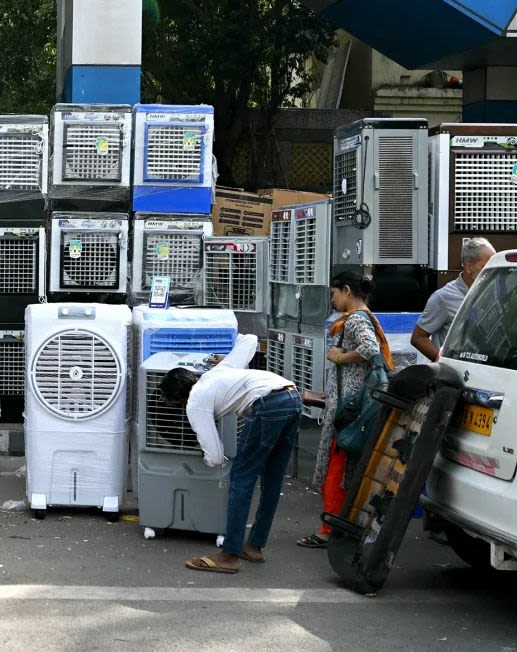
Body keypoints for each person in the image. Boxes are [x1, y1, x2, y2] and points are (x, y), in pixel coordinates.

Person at [170, 334, 302, 575]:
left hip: (268, 403)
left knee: (241, 479)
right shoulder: (217, 372)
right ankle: (254, 546)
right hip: (292, 396)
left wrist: (205, 460)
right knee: (272, 480)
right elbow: (250, 340)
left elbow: (215, 455)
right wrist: (231, 341)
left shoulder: (194, 401)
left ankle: (229, 555)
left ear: (178, 399)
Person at [298, 270, 394, 549]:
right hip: (353, 405)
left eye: (334, 294)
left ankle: (329, 530)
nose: (333, 300)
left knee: (338, 470)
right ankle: (339, 525)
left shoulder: (355, 320)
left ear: (347, 290)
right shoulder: (361, 318)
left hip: (349, 410)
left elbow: (369, 348)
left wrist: (339, 356)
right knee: (345, 470)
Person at [411, 237, 496, 361]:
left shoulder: (491, 292)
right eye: (487, 266)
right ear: (468, 267)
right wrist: (444, 364)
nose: (492, 271)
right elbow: (418, 338)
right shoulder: (443, 298)